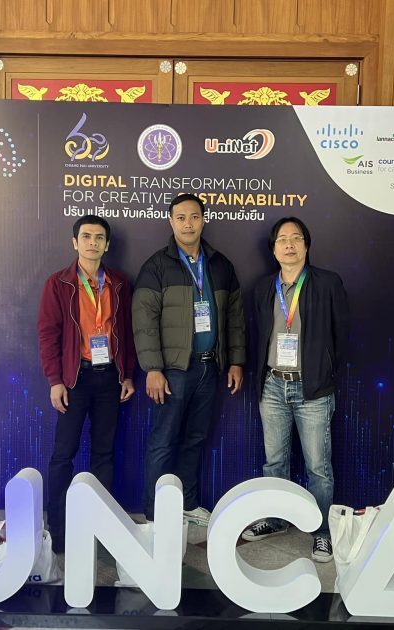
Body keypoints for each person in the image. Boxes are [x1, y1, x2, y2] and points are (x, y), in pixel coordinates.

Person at [133, 192, 246, 526]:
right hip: (173, 371)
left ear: (203, 220)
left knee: (195, 439)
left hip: (210, 367)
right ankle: (155, 514)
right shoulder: (156, 266)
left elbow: (235, 318)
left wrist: (236, 361)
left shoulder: (220, 265)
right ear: (171, 222)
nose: (188, 224)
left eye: (194, 217)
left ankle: (187, 503)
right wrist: (153, 369)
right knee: (163, 441)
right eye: (181, 217)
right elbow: (144, 321)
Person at [242, 216, 350, 563]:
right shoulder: (263, 288)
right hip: (273, 385)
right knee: (275, 461)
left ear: (306, 245)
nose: (289, 244)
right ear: (273, 249)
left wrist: (324, 371)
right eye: (282, 239)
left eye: (296, 238)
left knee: (318, 466)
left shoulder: (328, 283)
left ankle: (321, 532)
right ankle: (276, 519)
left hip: (312, 388)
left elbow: (342, 335)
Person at [37, 215, 136, 553]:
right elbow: (48, 334)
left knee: (103, 454)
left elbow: (127, 334)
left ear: (107, 245)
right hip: (74, 379)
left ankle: (100, 530)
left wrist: (127, 374)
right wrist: (55, 380)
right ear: (75, 242)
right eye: (86, 236)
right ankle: (59, 530)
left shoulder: (119, 283)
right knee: (63, 454)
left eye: (99, 237)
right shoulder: (58, 283)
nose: (92, 242)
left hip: (110, 377)